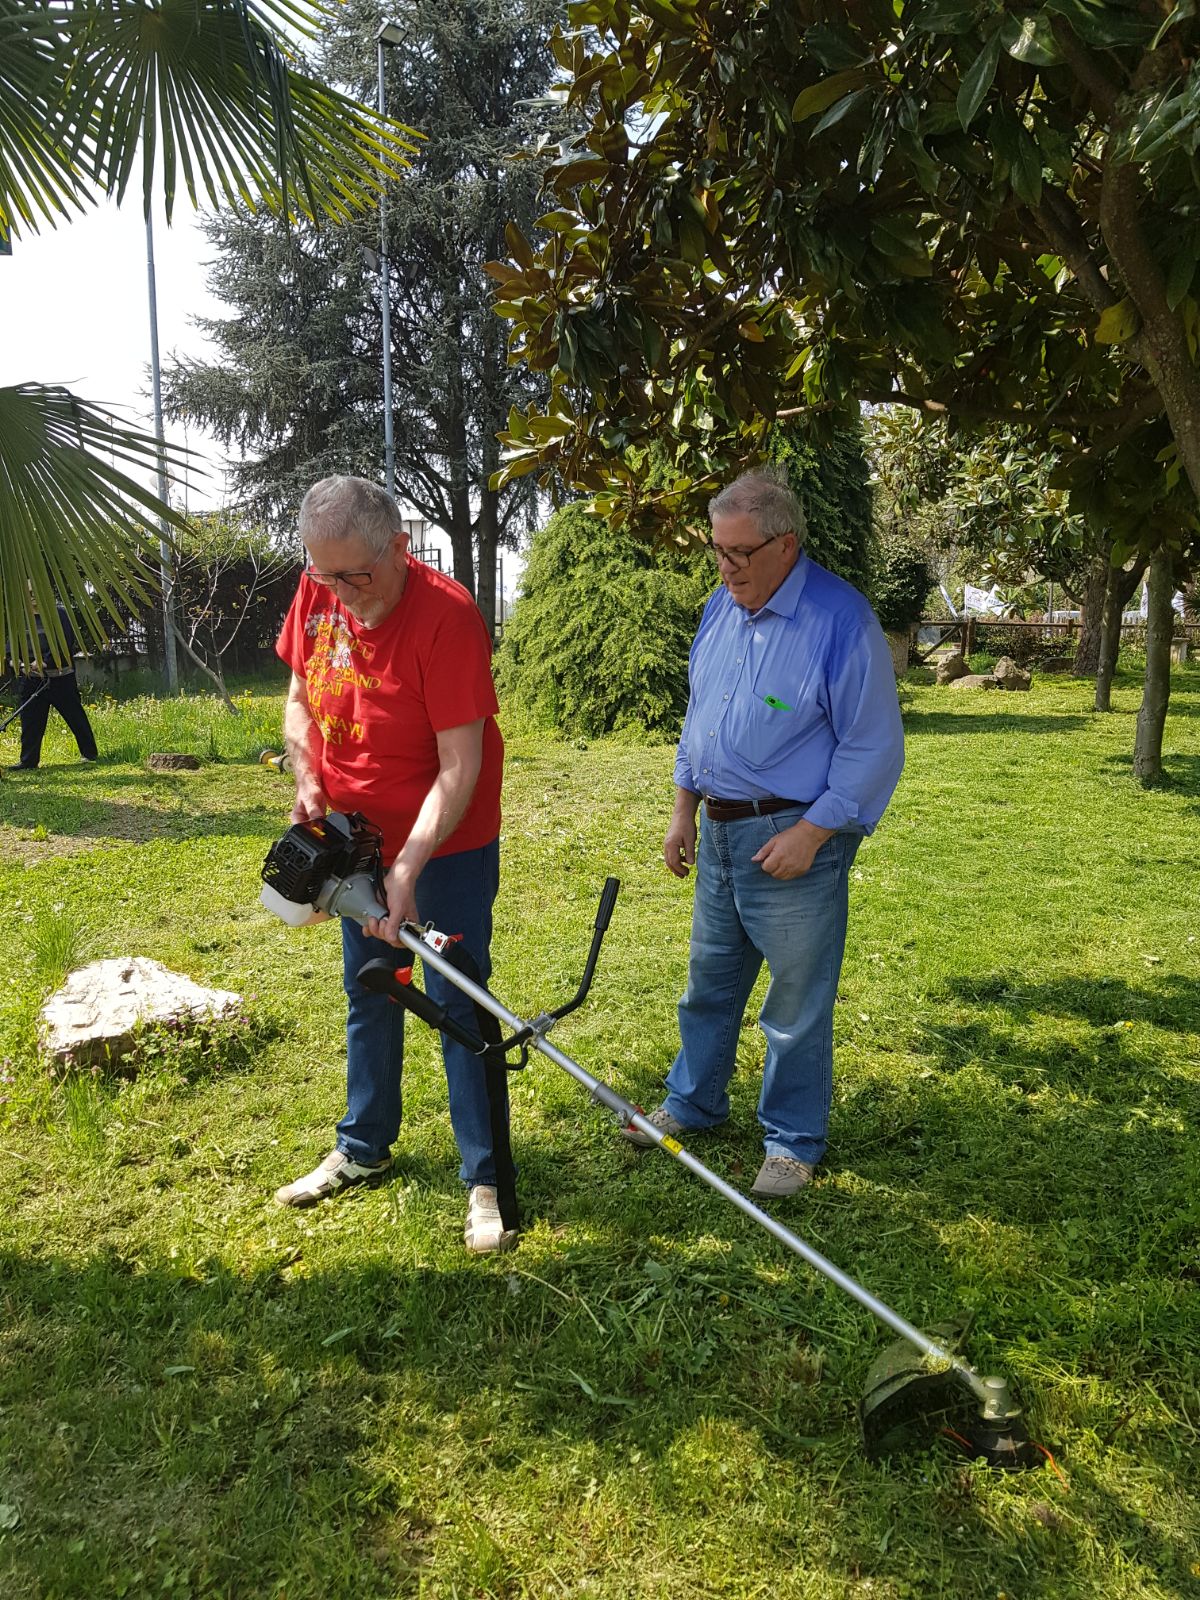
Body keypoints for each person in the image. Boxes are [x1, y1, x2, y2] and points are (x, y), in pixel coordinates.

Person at [623, 466, 905, 1197]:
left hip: (792, 843)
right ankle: (693, 1101)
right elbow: (701, 720)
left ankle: (791, 1141)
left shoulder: (842, 621)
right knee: (708, 988)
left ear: (787, 545)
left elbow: (873, 746)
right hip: (717, 834)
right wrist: (683, 811)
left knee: (795, 1005)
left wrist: (812, 835)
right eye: (717, 551)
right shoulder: (722, 609)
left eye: (740, 553)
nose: (725, 567)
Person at [272, 475, 511, 1253]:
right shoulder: (321, 595)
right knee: (368, 989)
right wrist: (307, 775)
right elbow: (300, 695)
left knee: (457, 1003)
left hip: (446, 844)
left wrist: (408, 869)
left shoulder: (447, 618)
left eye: (356, 576)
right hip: (354, 836)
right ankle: (363, 1147)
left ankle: (485, 1178)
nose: (340, 593)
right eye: (323, 574)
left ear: (400, 549)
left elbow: (459, 763)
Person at [14, 599, 98, 770]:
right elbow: (12, 645)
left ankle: (89, 754)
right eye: (28, 593)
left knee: (74, 716)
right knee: (30, 721)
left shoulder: (59, 614)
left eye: (34, 592)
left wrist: (45, 662)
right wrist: (18, 663)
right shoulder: (21, 618)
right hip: (32, 678)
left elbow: (65, 642)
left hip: (60, 677)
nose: (32, 597)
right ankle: (28, 761)